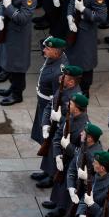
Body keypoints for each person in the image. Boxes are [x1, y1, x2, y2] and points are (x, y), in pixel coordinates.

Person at [0, 0, 37, 106]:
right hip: (10, 29)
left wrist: (9, 8)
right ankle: (12, 88)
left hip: (19, 34)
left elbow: (23, 18)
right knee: (10, 61)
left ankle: (17, 94)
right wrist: (0, 14)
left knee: (18, 66)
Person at [36, 64, 85, 190]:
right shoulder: (64, 88)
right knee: (51, 149)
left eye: (65, 76)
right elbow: (51, 105)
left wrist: (60, 119)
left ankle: (52, 176)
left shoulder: (75, 96)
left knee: (57, 152)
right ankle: (47, 172)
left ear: (72, 81)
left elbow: (74, 120)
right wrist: (45, 123)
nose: (61, 77)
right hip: (55, 126)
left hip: (63, 129)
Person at [65, 0, 107, 97]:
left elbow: (101, 17)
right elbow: (73, 1)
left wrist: (84, 10)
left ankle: (85, 90)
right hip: (75, 27)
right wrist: (70, 16)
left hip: (86, 32)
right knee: (73, 57)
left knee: (85, 62)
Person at [29, 36, 68, 182]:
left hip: (50, 108)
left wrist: (52, 116)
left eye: (47, 49)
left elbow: (58, 97)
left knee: (51, 143)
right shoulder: (53, 59)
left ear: (57, 53)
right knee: (44, 139)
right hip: (43, 105)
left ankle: (52, 174)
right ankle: (46, 170)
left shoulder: (59, 71)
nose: (44, 50)